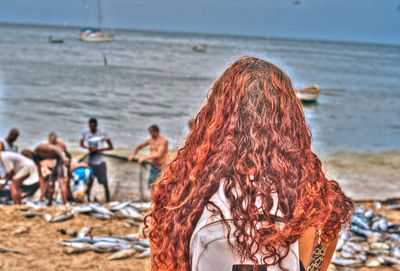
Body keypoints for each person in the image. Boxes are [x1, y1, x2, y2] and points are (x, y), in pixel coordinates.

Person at [146, 57, 353, 271]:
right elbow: (314, 268)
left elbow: (161, 267)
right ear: (291, 125)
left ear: (215, 120)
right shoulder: (320, 206)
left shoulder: (177, 194)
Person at [80, 118, 113, 202]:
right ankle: (88, 199)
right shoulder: (85, 133)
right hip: (91, 161)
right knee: (89, 181)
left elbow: (111, 147)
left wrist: (98, 149)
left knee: (104, 182)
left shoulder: (103, 133)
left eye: (93, 127)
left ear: (96, 126)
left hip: (100, 161)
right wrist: (88, 148)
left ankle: (108, 200)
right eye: (90, 127)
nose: (91, 128)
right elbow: (81, 143)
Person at [43, 132, 73, 202]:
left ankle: (65, 202)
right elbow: (44, 160)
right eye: (51, 143)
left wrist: (67, 168)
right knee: (51, 181)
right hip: (54, 163)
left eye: (54, 142)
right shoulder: (45, 145)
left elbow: (65, 156)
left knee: (61, 181)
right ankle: (49, 202)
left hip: (61, 161)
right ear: (49, 140)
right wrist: (46, 168)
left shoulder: (61, 145)